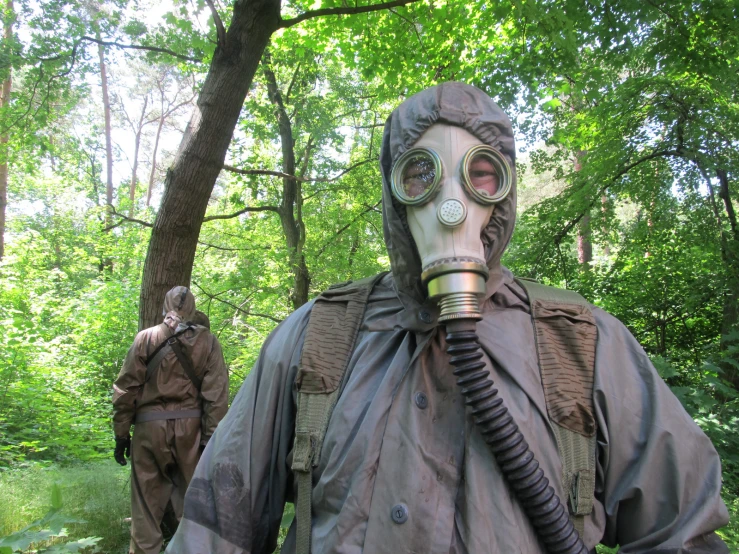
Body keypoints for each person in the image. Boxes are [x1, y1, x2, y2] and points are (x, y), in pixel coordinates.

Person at [166, 83, 729, 553]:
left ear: (502, 193)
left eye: (480, 173)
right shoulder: (318, 336)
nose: (451, 203)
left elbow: (683, 534)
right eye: (421, 174)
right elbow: (217, 530)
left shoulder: (581, 345)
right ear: (395, 194)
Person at [113, 286, 229, 554]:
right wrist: (210, 442)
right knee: (193, 510)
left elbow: (126, 390)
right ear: (192, 309)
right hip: (191, 433)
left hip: (148, 431)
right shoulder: (208, 342)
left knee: (144, 510)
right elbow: (216, 398)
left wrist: (121, 434)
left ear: (165, 306)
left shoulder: (145, 338)